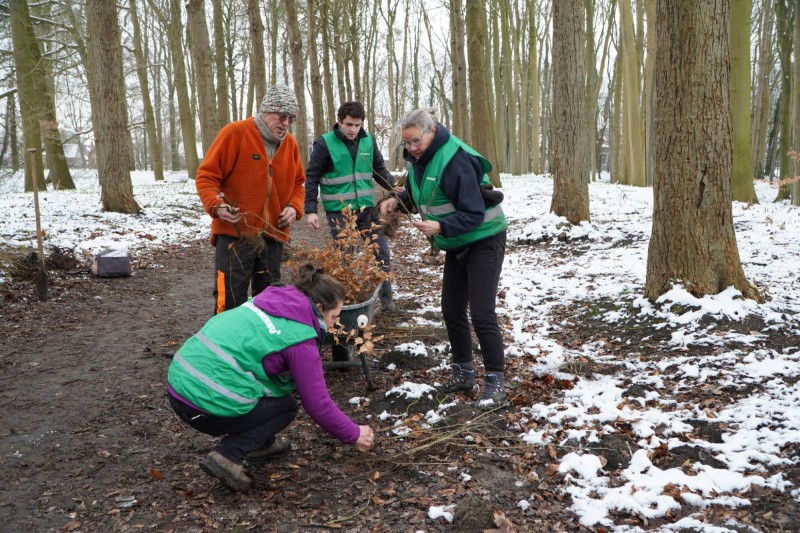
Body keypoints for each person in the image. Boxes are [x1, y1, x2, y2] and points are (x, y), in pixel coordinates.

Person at [166, 263, 376, 492]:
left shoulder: (268, 301)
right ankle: (229, 455)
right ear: (319, 307)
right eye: (334, 317)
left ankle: (261, 443)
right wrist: (354, 433)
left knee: (275, 388)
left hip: (177, 386)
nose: (334, 325)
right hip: (203, 405)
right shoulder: (300, 338)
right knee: (286, 406)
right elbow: (318, 405)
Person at [380, 108, 508, 406]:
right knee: (450, 308)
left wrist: (441, 226)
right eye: (406, 144)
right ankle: (463, 372)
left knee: (482, 312)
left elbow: (474, 213)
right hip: (458, 242)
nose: (411, 148)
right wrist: (394, 201)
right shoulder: (419, 160)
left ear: (432, 131)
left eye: (415, 141)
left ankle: (495, 380)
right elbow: (418, 193)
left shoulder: (456, 161)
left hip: (484, 239)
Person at [196, 84, 306, 314]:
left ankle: (260, 348)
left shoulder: (291, 145)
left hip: (273, 234)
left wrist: (294, 208)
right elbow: (206, 177)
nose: (285, 123)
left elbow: (298, 184)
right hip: (235, 234)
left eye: (290, 118)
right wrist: (216, 206)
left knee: (268, 301)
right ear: (265, 112)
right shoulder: (235, 133)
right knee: (230, 299)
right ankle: (224, 347)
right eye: (281, 116)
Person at [304, 101, 399, 312]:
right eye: (349, 124)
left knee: (381, 252)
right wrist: (310, 210)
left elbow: (379, 169)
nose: (353, 130)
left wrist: (393, 186)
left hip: (367, 209)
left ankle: (387, 299)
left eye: (357, 125)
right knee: (345, 255)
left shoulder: (368, 141)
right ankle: (344, 302)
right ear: (339, 121)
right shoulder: (324, 144)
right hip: (339, 211)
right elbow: (312, 177)